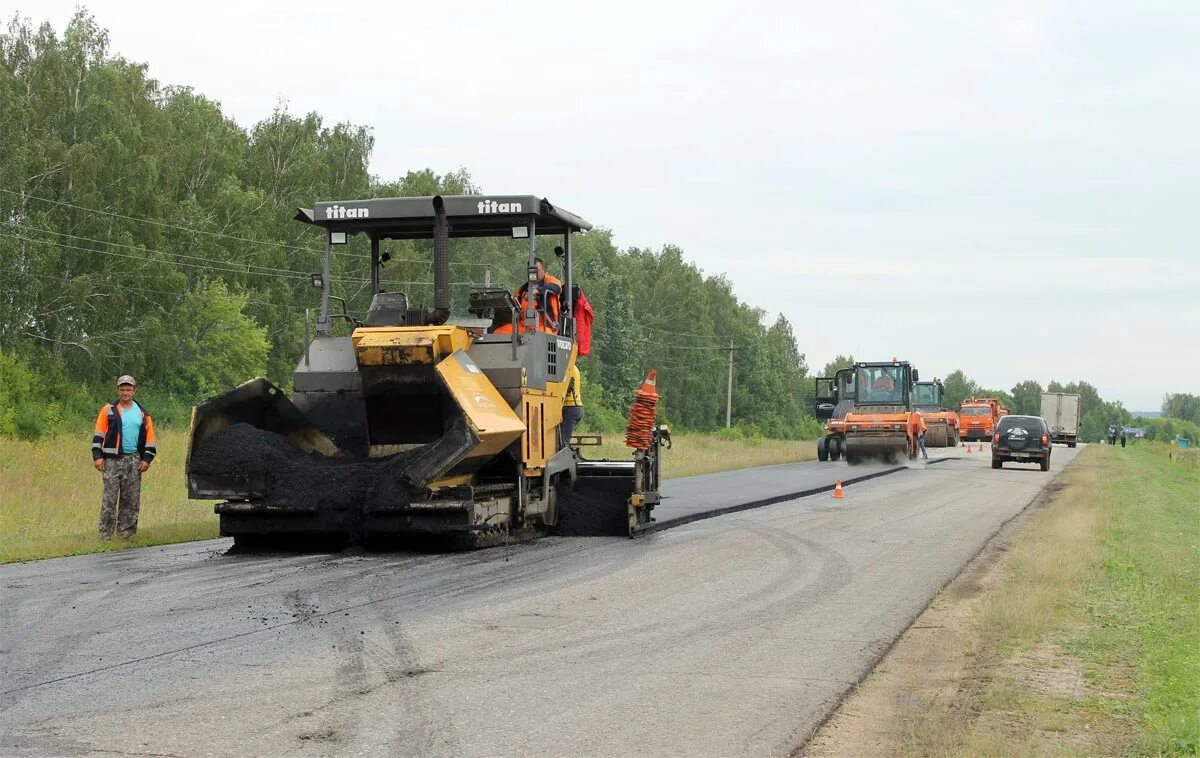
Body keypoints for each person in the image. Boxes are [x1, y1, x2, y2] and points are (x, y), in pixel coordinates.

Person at [91, 375, 157, 539]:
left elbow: (150, 438)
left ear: (134, 391)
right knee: (110, 500)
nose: (125, 392)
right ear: (118, 390)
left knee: (131, 500)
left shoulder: (142, 412)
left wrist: (146, 459)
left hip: (134, 460)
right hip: (111, 461)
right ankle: (105, 536)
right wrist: (97, 456)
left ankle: (125, 535)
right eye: (122, 389)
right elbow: (98, 434)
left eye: (128, 389)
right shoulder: (108, 410)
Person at [493, 257, 563, 335]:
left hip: (545, 326)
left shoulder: (550, 280)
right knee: (498, 332)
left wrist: (535, 291)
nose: (534, 274)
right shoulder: (522, 290)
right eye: (532, 271)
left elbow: (557, 288)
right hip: (523, 326)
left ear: (543, 269)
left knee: (539, 337)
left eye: (537, 271)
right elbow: (514, 304)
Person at [561, 361, 584, 445]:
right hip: (575, 408)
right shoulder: (574, 368)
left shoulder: (568, 368)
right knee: (561, 438)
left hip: (570, 408)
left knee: (563, 442)